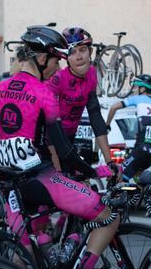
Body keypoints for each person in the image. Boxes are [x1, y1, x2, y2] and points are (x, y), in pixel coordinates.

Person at [0, 25, 120, 269]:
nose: (58, 66)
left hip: (8, 185)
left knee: (24, 255)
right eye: (56, 59)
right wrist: (92, 171)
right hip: (40, 178)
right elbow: (63, 150)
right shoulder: (43, 92)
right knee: (110, 215)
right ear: (41, 59)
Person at [48, 27, 113, 170]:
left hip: (70, 139)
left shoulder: (92, 74)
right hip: (50, 143)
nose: (78, 57)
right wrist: (58, 170)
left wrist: (110, 162)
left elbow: (95, 115)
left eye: (82, 50)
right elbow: (47, 124)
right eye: (72, 52)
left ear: (90, 52)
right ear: (66, 57)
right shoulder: (58, 79)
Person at [105, 74, 151, 181]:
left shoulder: (138, 99)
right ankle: (142, 195)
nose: (133, 90)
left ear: (142, 88)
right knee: (137, 175)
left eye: (135, 87)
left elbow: (113, 107)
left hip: (141, 151)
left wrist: (107, 125)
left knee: (119, 176)